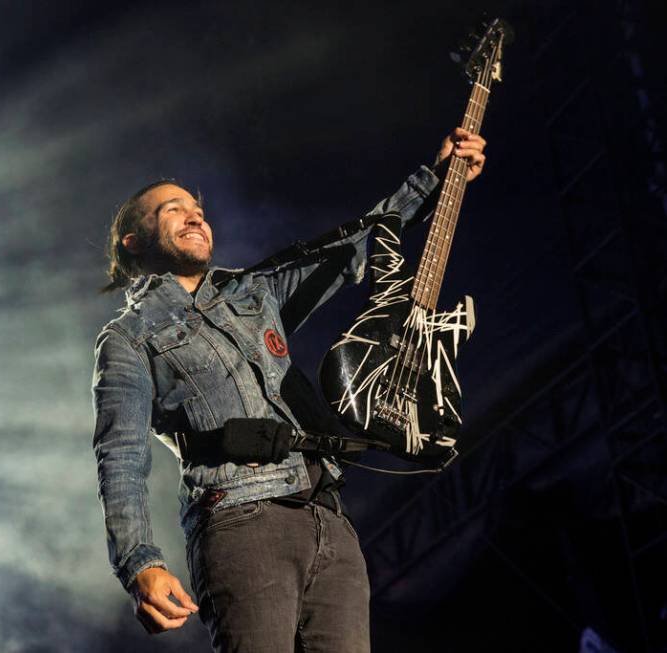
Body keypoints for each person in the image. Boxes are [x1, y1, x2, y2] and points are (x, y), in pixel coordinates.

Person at [91, 128, 487, 652]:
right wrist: (140, 561)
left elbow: (354, 247)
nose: (194, 215)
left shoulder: (254, 291)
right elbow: (119, 455)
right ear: (133, 241)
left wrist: (435, 179)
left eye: (197, 208)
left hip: (329, 516)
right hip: (240, 521)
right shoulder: (127, 337)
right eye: (171, 209)